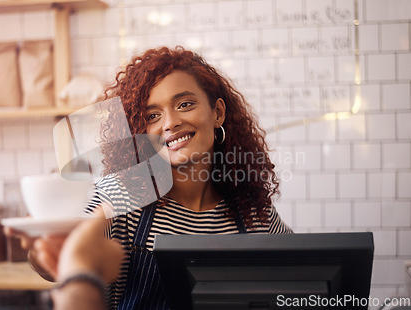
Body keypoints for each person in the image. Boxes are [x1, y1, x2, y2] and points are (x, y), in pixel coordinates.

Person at [19, 46, 293, 309]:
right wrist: (43, 249)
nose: (170, 122)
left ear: (217, 113)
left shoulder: (255, 213)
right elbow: (66, 252)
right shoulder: (120, 197)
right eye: (152, 115)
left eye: (185, 104)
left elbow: (302, 274)